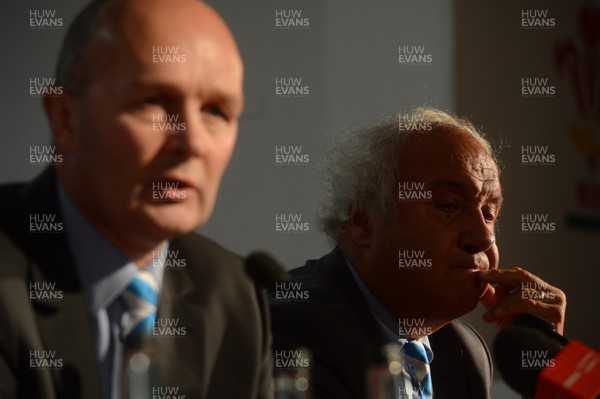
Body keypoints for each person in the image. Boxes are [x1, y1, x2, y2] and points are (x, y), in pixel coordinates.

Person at [0, 0, 273, 398]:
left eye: (215, 110)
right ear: (65, 118)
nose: (192, 142)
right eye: (155, 101)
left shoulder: (235, 297)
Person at [268, 108, 566, 399]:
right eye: (448, 206)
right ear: (363, 221)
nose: (484, 237)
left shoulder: (464, 351)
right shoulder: (288, 331)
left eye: (489, 213)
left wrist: (549, 380)